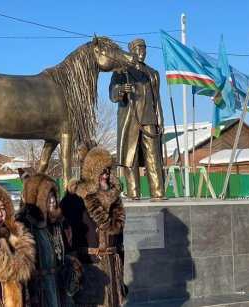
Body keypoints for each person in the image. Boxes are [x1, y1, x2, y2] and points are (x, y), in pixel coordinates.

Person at [60, 143, 126, 306]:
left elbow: (119, 242)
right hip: (88, 268)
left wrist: (119, 268)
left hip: (111, 269)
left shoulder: (114, 200)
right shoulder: (75, 199)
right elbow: (64, 234)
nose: (105, 175)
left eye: (108, 170)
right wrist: (73, 265)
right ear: (91, 171)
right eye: (101, 171)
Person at [109, 38, 166, 201]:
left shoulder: (153, 73)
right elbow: (112, 94)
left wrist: (160, 121)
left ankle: (158, 193)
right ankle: (134, 193)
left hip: (150, 119)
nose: (141, 52)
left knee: (153, 157)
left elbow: (157, 99)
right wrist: (120, 89)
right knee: (130, 158)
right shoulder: (121, 72)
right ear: (131, 52)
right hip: (130, 120)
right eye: (138, 50)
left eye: (144, 49)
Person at [16, 173, 79, 306]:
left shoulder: (58, 222)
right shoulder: (25, 224)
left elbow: (64, 252)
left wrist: (72, 264)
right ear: (37, 198)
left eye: (54, 196)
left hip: (61, 287)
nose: (53, 201)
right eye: (47, 197)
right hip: (40, 289)